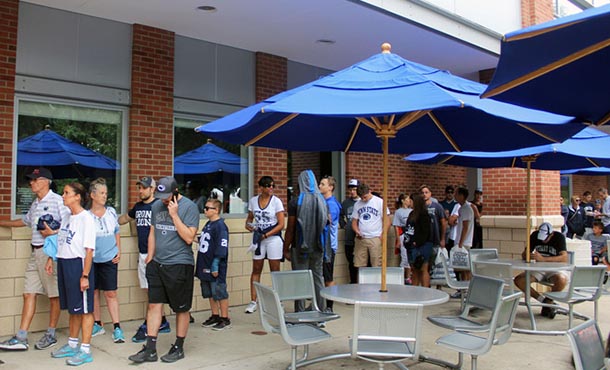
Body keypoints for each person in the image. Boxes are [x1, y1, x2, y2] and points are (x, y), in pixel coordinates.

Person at [128, 176, 199, 363]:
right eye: (161, 195)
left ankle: (179, 347)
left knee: (181, 308)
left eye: (167, 195)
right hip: (157, 264)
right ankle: (150, 349)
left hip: (179, 264)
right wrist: (150, 258)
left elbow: (189, 238)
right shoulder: (156, 206)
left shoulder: (189, 207)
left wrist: (174, 215)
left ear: (176, 191)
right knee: (154, 305)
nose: (164, 199)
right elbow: (153, 232)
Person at [0, 168, 70, 351]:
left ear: (46, 181)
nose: (31, 183)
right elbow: (24, 221)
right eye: (30, 180)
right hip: (34, 253)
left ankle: (51, 334)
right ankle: (22, 336)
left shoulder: (58, 201)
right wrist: (2, 222)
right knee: (28, 293)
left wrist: (52, 233)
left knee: (54, 296)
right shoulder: (36, 203)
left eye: (34, 180)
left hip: (50, 254)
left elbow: (69, 226)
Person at [46, 182, 96, 366]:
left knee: (85, 309)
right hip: (64, 263)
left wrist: (85, 275)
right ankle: (72, 344)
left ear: (77, 196)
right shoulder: (67, 217)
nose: (63, 195)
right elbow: (61, 240)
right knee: (73, 309)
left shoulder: (86, 219)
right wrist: (52, 259)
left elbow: (89, 250)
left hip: (79, 265)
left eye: (66, 193)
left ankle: (85, 350)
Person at [117, 176, 170, 343]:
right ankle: (162, 321)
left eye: (144, 188)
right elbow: (124, 218)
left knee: (154, 290)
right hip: (142, 254)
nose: (140, 191)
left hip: (156, 254)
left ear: (152, 189)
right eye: (139, 188)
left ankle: (150, 324)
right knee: (149, 290)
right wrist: (108, 219)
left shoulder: (160, 206)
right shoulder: (138, 207)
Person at [283, 170, 329, 312]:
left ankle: (300, 312)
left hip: (300, 246)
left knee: (300, 280)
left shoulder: (296, 201)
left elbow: (290, 228)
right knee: (318, 278)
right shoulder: (321, 200)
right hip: (319, 246)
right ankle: (320, 310)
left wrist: (285, 248)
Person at [88, 178, 124, 343]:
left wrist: (119, 249)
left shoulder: (110, 212)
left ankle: (117, 326)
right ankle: (97, 323)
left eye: (106, 193)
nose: (105, 196)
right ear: (92, 195)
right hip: (93, 260)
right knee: (94, 292)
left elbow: (117, 230)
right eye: (101, 193)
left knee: (110, 292)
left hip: (110, 257)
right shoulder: (86, 216)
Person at [243, 176, 285, 314]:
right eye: (268, 186)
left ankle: (279, 300)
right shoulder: (254, 201)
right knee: (256, 268)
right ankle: (253, 300)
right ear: (261, 187)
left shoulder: (276, 201)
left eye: (273, 185)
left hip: (272, 238)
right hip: (258, 237)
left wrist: (266, 235)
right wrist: (249, 226)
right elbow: (249, 219)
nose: (271, 188)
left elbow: (281, 224)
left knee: (275, 269)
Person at [514, 222, 569, 319]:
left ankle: (549, 300)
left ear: (551, 234)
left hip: (554, 268)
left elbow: (564, 258)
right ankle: (544, 302)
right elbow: (524, 254)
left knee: (561, 280)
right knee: (519, 280)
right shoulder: (534, 236)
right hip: (539, 268)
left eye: (546, 238)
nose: (543, 241)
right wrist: (527, 254)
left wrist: (544, 259)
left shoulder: (559, 237)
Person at [197, 199, 231, 331]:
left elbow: (222, 247)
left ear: (216, 210)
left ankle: (225, 318)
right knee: (210, 292)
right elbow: (204, 240)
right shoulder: (208, 224)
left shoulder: (221, 226)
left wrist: (215, 264)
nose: (205, 210)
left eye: (207, 208)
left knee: (219, 291)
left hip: (214, 265)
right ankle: (215, 315)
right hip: (204, 263)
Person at [351, 183, 390, 269]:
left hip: (375, 237)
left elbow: (387, 220)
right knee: (359, 265)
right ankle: (362, 282)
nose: (363, 199)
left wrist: (383, 234)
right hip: (362, 238)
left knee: (377, 264)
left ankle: (377, 282)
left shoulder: (379, 202)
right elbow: (354, 222)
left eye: (365, 197)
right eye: (361, 198)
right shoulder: (357, 204)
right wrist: (357, 231)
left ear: (370, 191)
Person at [319, 175, 341, 312]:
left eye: (322, 184)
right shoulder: (323, 201)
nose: (320, 186)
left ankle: (329, 306)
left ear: (330, 187)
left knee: (328, 276)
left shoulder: (331, 204)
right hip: (320, 245)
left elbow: (326, 222)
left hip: (328, 247)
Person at [403, 194, 433, 287]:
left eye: (411, 201)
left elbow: (426, 231)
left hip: (422, 246)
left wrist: (418, 242)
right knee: (414, 270)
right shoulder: (412, 213)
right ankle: (414, 291)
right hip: (410, 245)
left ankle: (425, 290)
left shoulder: (424, 214)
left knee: (423, 268)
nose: (409, 203)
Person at [340, 179, 360, 284]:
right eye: (351, 189)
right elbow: (340, 215)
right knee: (351, 262)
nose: (352, 192)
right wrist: (344, 225)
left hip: (359, 237)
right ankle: (353, 283)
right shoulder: (346, 203)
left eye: (355, 189)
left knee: (360, 263)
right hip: (349, 237)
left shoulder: (362, 201)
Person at [453, 186, 474, 281]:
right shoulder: (462, 208)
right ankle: (464, 287)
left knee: (464, 267)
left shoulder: (466, 209)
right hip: (461, 241)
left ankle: (465, 287)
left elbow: (465, 227)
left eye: (456, 194)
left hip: (464, 243)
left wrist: (460, 243)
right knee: (461, 268)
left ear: (461, 195)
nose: (454, 196)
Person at [393, 193, 412, 284]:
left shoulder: (411, 211)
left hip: (411, 234)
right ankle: (405, 277)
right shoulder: (398, 212)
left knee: (410, 256)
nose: (409, 201)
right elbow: (396, 226)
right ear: (403, 201)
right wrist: (398, 240)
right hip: (403, 234)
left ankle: (409, 275)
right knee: (404, 256)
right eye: (407, 199)